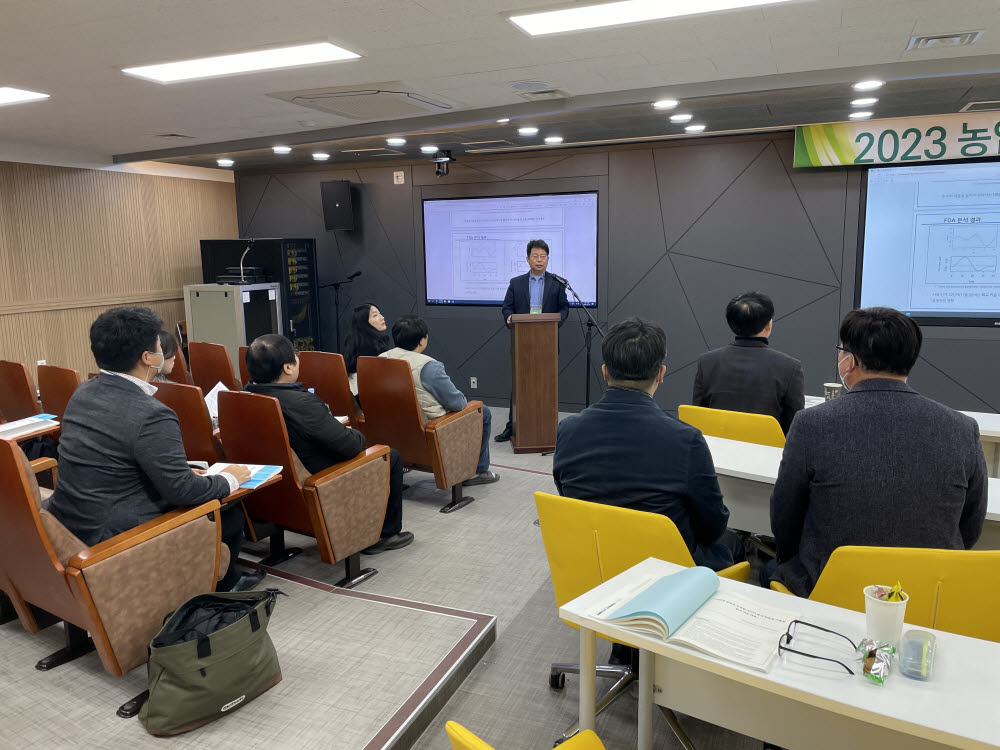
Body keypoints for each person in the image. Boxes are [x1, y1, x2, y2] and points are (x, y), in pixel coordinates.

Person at [766, 307, 988, 596]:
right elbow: (970, 525)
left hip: (830, 591)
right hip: (928, 597)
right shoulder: (963, 429)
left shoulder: (812, 424)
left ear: (851, 360)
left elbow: (785, 517)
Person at [43, 306, 259, 592]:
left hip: (72, 517)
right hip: (117, 534)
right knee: (229, 512)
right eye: (159, 345)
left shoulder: (83, 392)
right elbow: (183, 491)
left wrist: (182, 472)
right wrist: (230, 478)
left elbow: (119, 457)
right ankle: (221, 587)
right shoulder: (152, 414)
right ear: (148, 358)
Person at [553, 318, 744, 571]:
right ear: (661, 374)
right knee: (734, 543)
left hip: (596, 557)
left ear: (605, 372)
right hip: (665, 570)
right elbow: (712, 525)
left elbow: (567, 497)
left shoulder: (567, 429)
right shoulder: (686, 440)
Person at [245, 334, 413, 553]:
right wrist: (355, 434)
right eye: (295, 356)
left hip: (280, 482)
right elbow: (349, 446)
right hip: (320, 476)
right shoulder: (301, 403)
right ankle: (385, 535)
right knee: (390, 456)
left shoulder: (246, 396)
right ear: (287, 367)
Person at [380, 315, 499, 485]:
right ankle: (478, 471)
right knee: (482, 411)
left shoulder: (380, 358)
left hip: (393, 427)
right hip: (429, 429)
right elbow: (457, 403)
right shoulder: (428, 366)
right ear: (423, 340)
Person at [693, 291, 804, 434]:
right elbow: (794, 428)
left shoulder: (706, 362)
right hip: (769, 453)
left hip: (716, 450)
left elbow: (699, 418)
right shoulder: (790, 368)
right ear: (768, 326)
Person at [496, 239, 570, 442]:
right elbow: (506, 308)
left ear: (548, 259)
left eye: (543, 256)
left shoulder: (557, 283)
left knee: (547, 385)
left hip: (547, 342)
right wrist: (509, 318)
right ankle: (513, 428)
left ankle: (546, 428)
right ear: (527, 259)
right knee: (520, 384)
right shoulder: (516, 283)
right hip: (522, 343)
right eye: (535, 256)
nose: (539, 260)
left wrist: (556, 322)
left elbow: (564, 308)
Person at [343, 303, 391, 397]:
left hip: (351, 395)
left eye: (379, 313)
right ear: (364, 322)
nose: (382, 317)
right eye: (375, 315)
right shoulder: (374, 347)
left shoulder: (352, 341)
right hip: (368, 397)